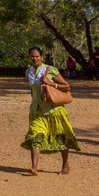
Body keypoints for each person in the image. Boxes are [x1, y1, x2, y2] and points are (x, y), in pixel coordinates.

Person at [21, 46, 79, 175]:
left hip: (54, 110)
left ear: (42, 57)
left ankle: (65, 165)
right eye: (32, 56)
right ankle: (34, 167)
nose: (34, 58)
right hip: (36, 110)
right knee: (35, 134)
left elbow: (67, 86)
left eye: (37, 56)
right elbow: (32, 90)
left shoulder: (50, 70)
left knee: (61, 137)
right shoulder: (28, 72)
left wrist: (50, 83)